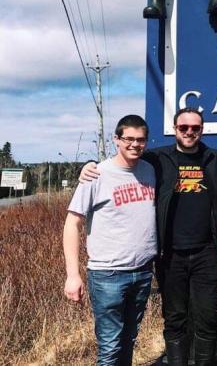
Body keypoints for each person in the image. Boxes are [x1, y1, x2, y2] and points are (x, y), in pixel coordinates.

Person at [79, 107, 217, 366]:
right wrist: (88, 167)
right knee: (175, 319)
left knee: (208, 318)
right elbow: (124, 158)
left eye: (195, 128)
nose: (189, 132)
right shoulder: (157, 159)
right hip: (170, 255)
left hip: (207, 253)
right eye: (183, 127)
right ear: (175, 129)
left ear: (202, 130)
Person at [64, 115, 156, 365]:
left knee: (129, 340)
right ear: (116, 139)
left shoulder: (149, 170)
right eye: (128, 139)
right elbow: (72, 223)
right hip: (108, 275)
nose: (134, 145)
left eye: (140, 140)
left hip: (143, 272)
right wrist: (73, 275)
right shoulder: (97, 174)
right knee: (110, 347)